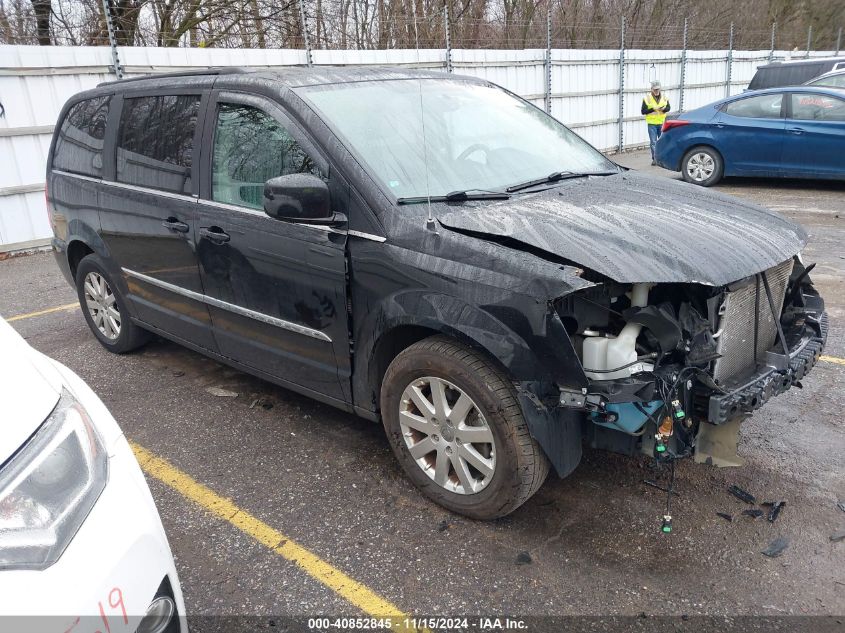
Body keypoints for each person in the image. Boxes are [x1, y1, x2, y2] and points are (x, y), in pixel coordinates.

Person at [642, 80, 670, 165]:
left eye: (658, 89)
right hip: (652, 123)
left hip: (661, 122)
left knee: (662, 141)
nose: (656, 91)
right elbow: (643, 111)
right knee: (653, 142)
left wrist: (664, 109)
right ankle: (655, 159)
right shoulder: (647, 98)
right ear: (651, 89)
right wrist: (652, 109)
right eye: (655, 89)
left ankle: (662, 158)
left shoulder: (664, 97)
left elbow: (668, 108)